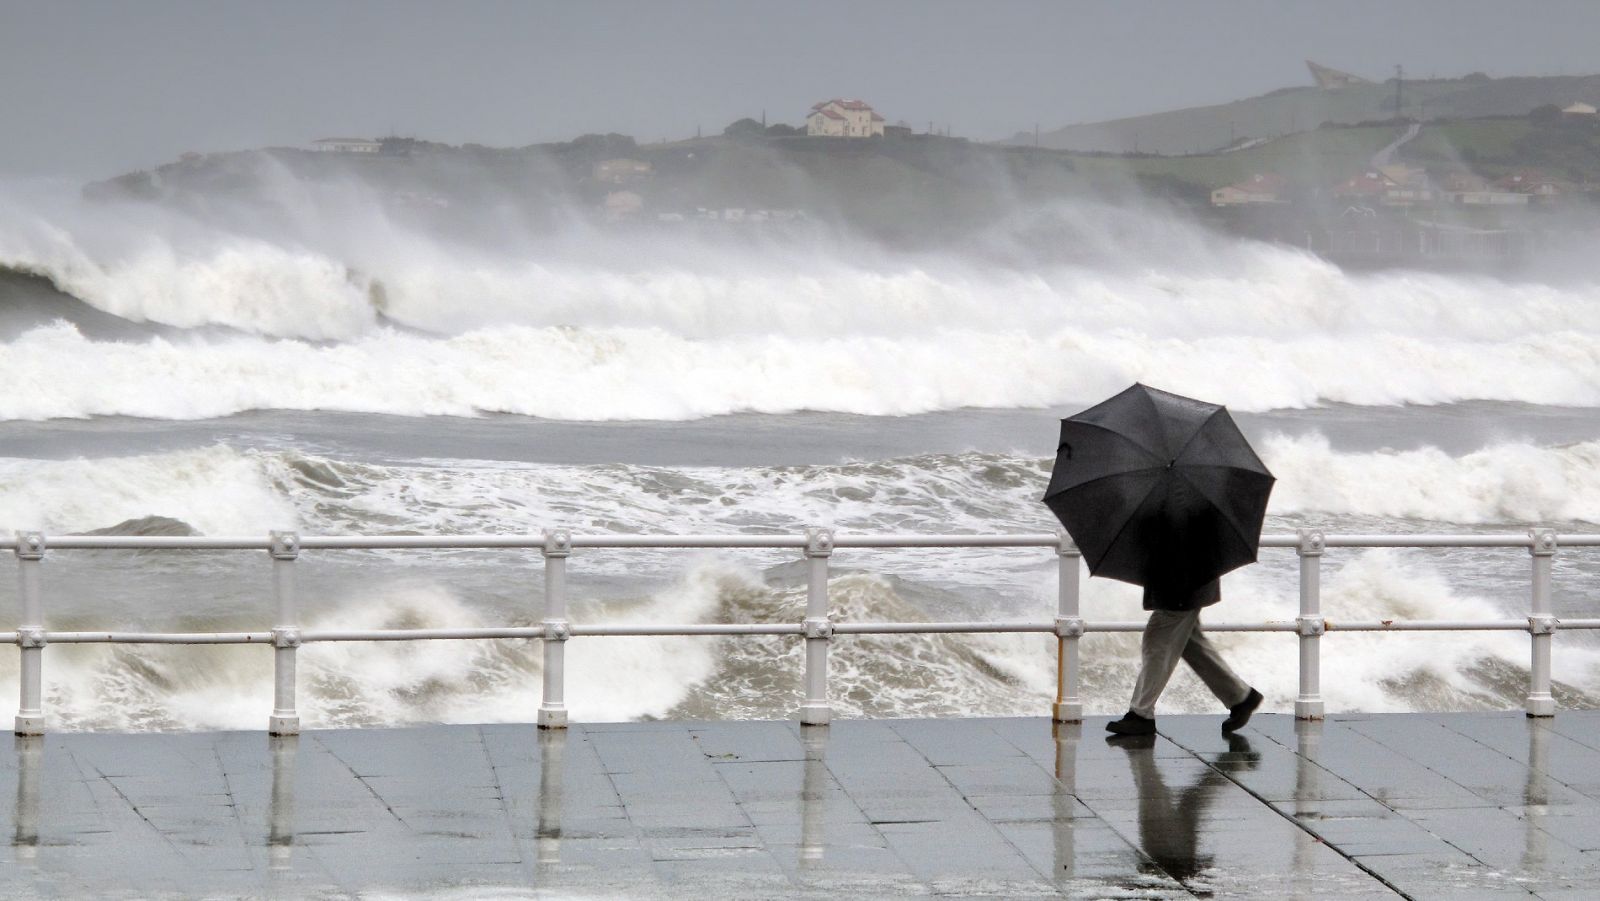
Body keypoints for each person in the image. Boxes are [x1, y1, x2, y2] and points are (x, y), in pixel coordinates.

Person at [1105, 578, 1262, 736]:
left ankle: (1140, 715)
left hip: (1182, 582)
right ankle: (1240, 697)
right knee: (1190, 643)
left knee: (1158, 640)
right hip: (1185, 582)